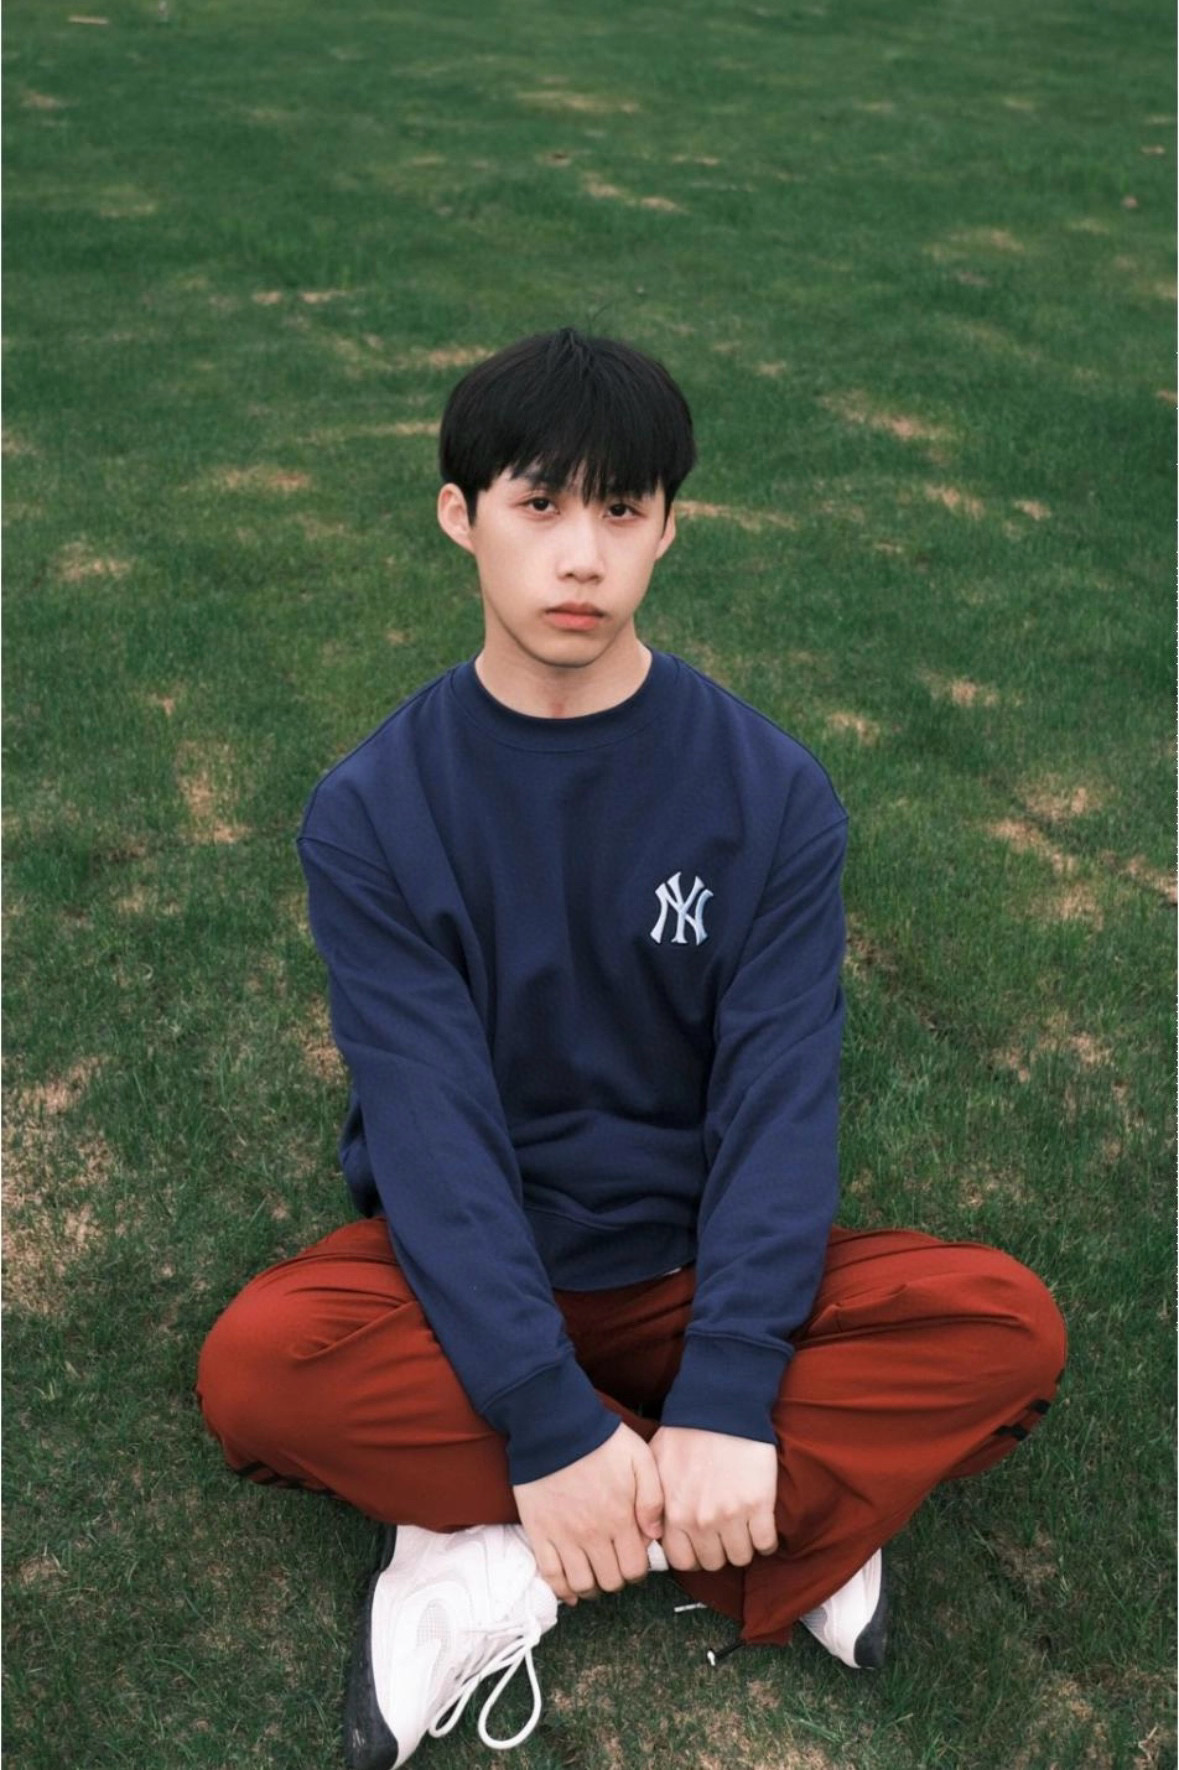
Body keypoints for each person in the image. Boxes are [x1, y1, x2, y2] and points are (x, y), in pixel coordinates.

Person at [196, 328, 1067, 1770]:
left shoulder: (771, 792)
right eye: (539, 505)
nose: (581, 557)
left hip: (696, 1269)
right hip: (468, 1286)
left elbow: (778, 1104)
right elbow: (431, 1133)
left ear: (670, 526)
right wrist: (543, 1411)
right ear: (460, 515)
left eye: (621, 509)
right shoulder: (373, 809)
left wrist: (726, 1381)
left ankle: (512, 1533)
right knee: (260, 1367)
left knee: (1004, 1327)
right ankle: (759, 1511)